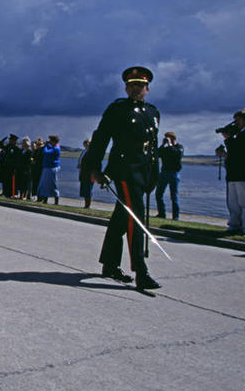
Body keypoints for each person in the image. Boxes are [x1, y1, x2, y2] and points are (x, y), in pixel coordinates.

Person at [84, 66, 161, 290]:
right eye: (132, 85)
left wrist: (153, 174)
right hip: (125, 170)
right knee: (134, 218)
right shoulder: (118, 109)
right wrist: (95, 168)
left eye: (141, 85)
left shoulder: (153, 112)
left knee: (121, 218)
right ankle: (141, 270)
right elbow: (101, 138)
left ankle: (109, 264)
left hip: (144, 171)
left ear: (147, 88)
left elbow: (153, 148)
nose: (136, 89)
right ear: (126, 87)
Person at [215, 109, 245, 236]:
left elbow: (240, 152)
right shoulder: (241, 134)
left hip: (244, 173)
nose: (236, 123)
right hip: (234, 172)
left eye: (238, 120)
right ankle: (234, 225)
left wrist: (228, 140)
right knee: (233, 202)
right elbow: (234, 153)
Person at [155, 132, 184, 220]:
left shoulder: (179, 147)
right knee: (158, 194)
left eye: (168, 138)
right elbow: (158, 153)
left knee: (174, 196)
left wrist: (170, 144)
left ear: (173, 138)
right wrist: (163, 144)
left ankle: (175, 216)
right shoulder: (166, 148)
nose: (166, 139)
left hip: (174, 174)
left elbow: (177, 154)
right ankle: (161, 213)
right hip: (164, 173)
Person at [36, 135, 60, 204]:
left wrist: (46, 145)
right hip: (47, 167)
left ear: (53, 141)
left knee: (53, 184)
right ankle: (45, 200)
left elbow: (46, 152)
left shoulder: (56, 148)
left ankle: (56, 201)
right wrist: (48, 145)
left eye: (50, 140)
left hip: (51, 168)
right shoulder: (54, 147)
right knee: (44, 184)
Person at [77, 138, 94, 209]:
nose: (86, 144)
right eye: (85, 143)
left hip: (89, 173)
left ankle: (88, 205)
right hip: (83, 172)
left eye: (87, 143)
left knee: (88, 189)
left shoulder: (92, 152)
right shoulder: (84, 151)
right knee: (84, 189)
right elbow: (81, 160)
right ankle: (85, 204)